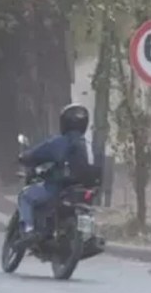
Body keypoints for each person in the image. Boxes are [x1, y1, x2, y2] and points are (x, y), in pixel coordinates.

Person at [16, 103, 93, 246]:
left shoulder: (61, 142)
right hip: (85, 189)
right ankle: (87, 236)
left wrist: (23, 157)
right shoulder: (89, 144)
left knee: (25, 196)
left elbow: (37, 153)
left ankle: (29, 230)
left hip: (58, 187)